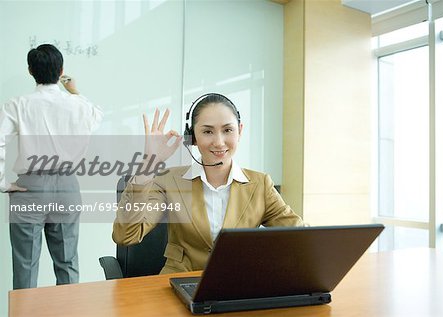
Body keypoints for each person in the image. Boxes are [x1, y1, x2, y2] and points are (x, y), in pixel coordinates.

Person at [112, 93, 303, 274]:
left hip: (238, 287)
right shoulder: (168, 181)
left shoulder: (260, 185)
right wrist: (149, 163)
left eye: (228, 130)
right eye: (207, 131)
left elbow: (300, 238)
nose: (219, 142)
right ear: (193, 137)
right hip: (180, 283)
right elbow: (126, 235)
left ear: (240, 131)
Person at [0, 44, 103, 289]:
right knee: (67, 264)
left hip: (30, 188)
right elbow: (95, 116)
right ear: (61, 72)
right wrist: (74, 91)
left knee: (25, 266)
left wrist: (3, 183)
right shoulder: (77, 105)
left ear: (30, 71)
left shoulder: (17, 104)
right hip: (67, 186)